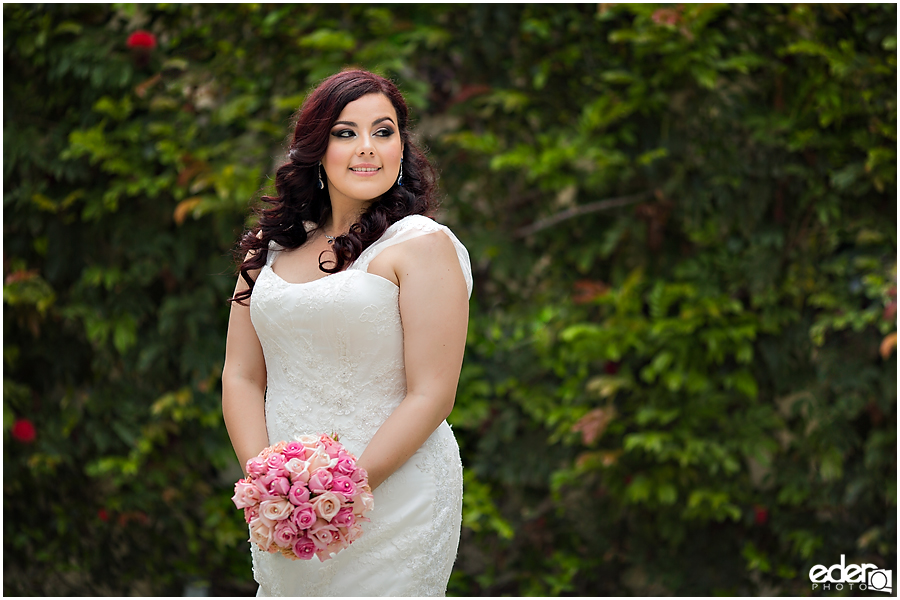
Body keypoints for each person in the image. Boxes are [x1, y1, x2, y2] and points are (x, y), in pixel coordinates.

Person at [221, 69, 472, 596]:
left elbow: (432, 393)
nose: (368, 149)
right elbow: (241, 375)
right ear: (316, 148)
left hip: (396, 493)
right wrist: (269, 487)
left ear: (403, 146)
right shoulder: (266, 250)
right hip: (286, 508)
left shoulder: (421, 245)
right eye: (345, 132)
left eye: (384, 132)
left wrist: (346, 487)